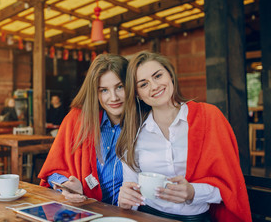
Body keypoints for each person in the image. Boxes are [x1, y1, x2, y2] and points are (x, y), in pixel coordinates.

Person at [116, 51, 251, 222]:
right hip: (148, 217)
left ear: (170, 75)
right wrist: (126, 201)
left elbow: (231, 188)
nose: (154, 86)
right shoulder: (133, 134)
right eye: (143, 84)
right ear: (137, 94)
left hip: (197, 218)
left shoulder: (209, 117)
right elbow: (132, 193)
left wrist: (193, 192)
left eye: (158, 76)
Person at [38, 54, 128, 205]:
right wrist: (66, 185)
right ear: (94, 92)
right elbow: (53, 170)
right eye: (104, 90)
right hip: (84, 209)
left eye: (120, 87)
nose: (113, 98)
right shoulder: (77, 119)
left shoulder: (145, 122)